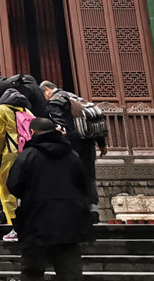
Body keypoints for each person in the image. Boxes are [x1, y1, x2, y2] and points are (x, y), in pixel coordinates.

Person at [7, 117, 94, 281]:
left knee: (32, 272)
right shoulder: (72, 155)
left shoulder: (28, 155)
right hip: (69, 222)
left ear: (32, 132)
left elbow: (14, 185)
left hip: (36, 220)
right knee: (70, 272)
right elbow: (85, 184)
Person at [41, 80, 106, 217]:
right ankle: (93, 206)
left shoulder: (55, 101)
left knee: (70, 175)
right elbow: (94, 119)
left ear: (47, 90)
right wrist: (102, 143)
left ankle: (75, 209)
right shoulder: (75, 97)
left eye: (44, 95)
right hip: (88, 142)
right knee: (89, 175)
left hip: (72, 144)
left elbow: (59, 125)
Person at [0, 78, 35, 241]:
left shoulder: (1, 109)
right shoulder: (26, 110)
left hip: (11, 156)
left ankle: (16, 227)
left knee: (7, 191)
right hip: (29, 154)